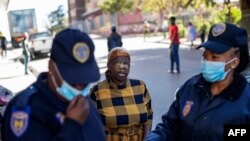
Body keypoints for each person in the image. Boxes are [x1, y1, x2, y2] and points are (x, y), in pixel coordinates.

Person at [147, 22, 250, 141]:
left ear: (234, 62)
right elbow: (170, 126)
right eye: (205, 55)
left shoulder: (246, 100)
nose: (207, 61)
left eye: (214, 57)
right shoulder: (191, 87)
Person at [1, 29, 106, 141]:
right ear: (51, 67)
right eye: (72, 79)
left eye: (85, 78)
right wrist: (72, 126)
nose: (80, 87)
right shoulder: (25, 111)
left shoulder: (84, 102)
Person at [90, 47, 153, 141]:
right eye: (118, 63)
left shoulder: (140, 86)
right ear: (109, 65)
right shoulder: (97, 91)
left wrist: (146, 139)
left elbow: (149, 116)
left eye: (126, 63)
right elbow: (90, 124)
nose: (122, 66)